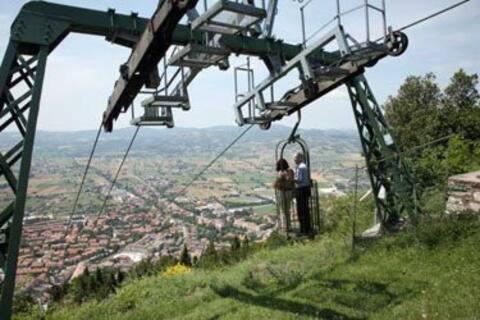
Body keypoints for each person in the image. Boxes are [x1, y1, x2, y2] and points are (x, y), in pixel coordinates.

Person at [273, 158, 295, 232]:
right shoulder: (291, 171)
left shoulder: (280, 173)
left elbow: (277, 184)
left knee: (283, 210)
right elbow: (292, 181)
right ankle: (288, 226)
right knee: (287, 210)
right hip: (289, 192)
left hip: (283, 193)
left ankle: (285, 227)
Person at [294, 152, 311, 235]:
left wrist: (291, 180)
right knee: (305, 209)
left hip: (301, 190)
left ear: (300, 158)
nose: (294, 160)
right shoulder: (303, 166)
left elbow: (299, 180)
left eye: (295, 158)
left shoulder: (301, 167)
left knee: (301, 210)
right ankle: (307, 228)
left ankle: (303, 229)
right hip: (305, 189)